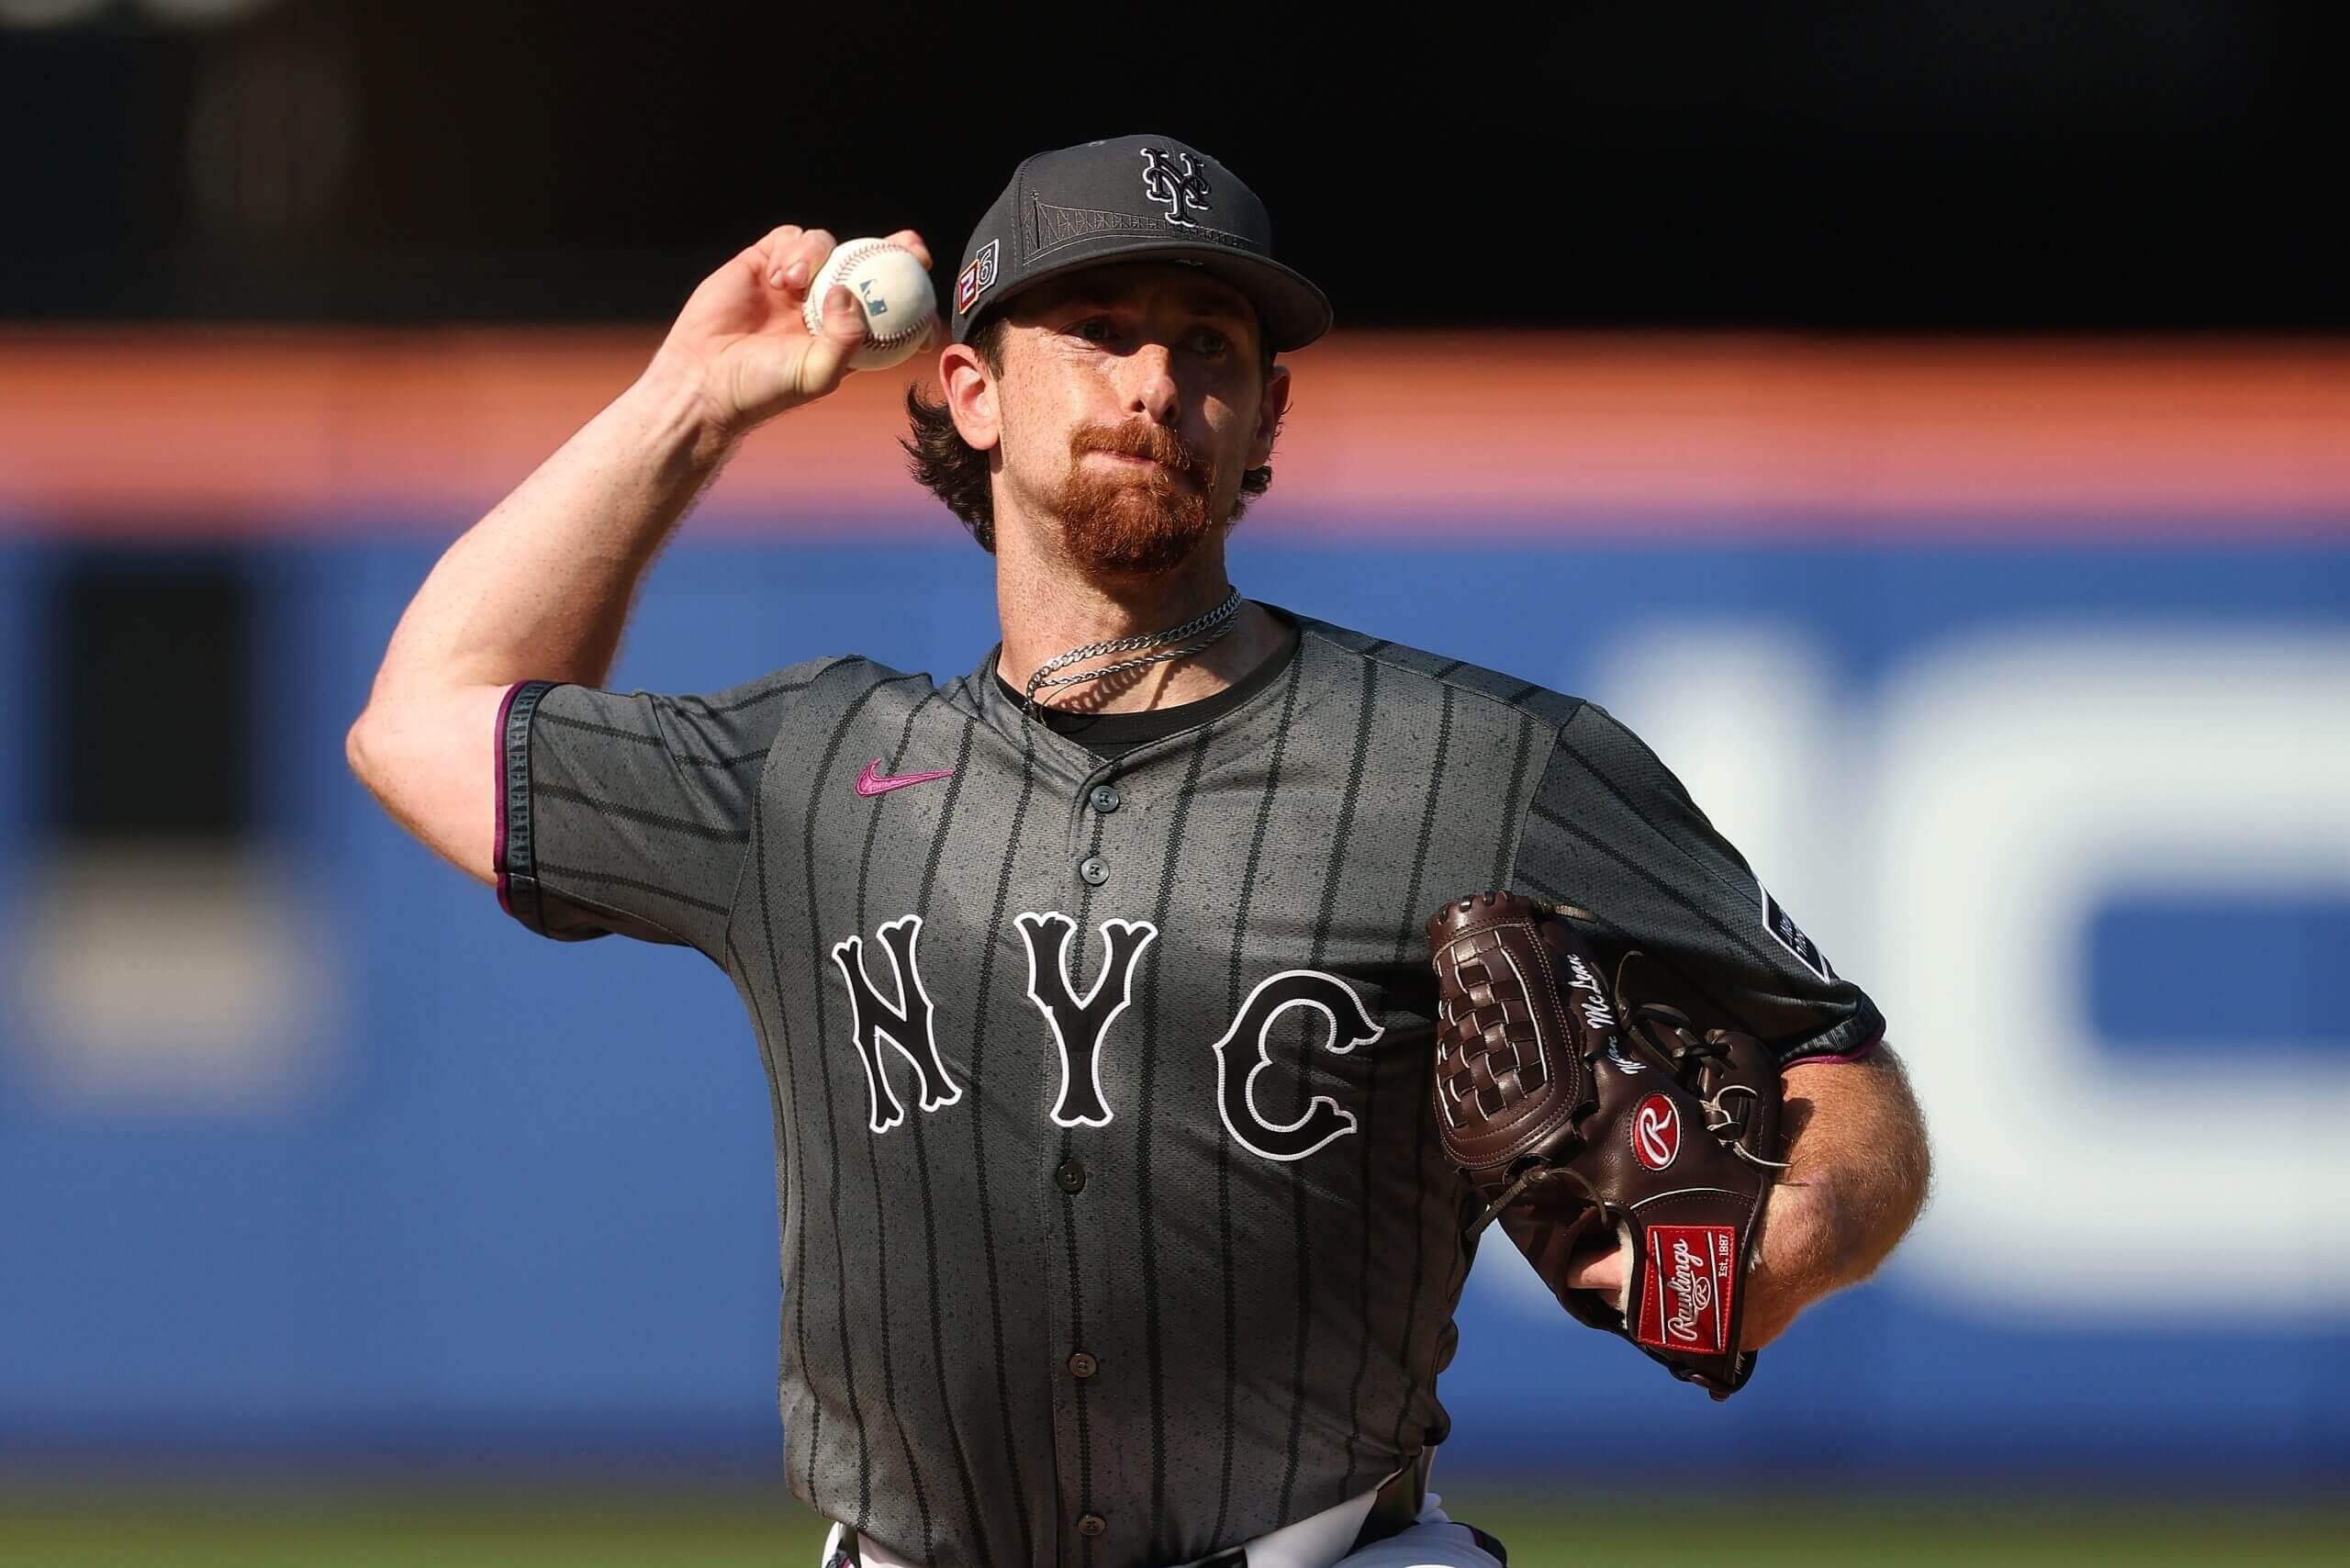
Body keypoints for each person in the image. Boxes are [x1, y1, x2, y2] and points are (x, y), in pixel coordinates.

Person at [347, 134, 1931, 1568]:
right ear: (973, 391)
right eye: (1098, 330)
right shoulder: (806, 768)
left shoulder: (1494, 762)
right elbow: (417, 726)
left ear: (1263, 419)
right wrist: (691, 404)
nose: (1154, 379)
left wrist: (1787, 1240)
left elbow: (1843, 1065)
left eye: (1209, 342)